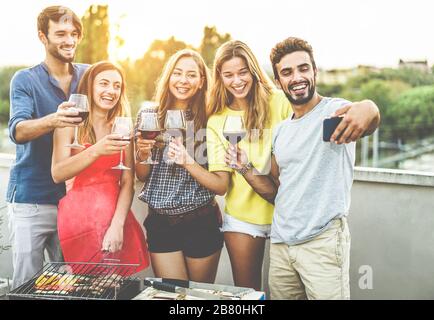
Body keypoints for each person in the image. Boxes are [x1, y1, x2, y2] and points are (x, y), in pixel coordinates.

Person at [231, 36, 380, 299]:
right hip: (281, 247)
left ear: (314, 71)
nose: (297, 77)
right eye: (287, 72)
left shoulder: (335, 112)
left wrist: (368, 108)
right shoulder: (281, 131)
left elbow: (369, 116)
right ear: (278, 82)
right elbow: (276, 190)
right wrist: (245, 168)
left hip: (322, 243)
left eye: (303, 68)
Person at [6, 6, 88, 289]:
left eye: (74, 34)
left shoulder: (87, 76)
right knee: (27, 285)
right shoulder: (25, 80)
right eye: (61, 34)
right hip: (32, 199)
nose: (70, 40)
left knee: (73, 284)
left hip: (75, 202)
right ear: (43, 37)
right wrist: (54, 119)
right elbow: (17, 130)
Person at [51, 61, 149, 273]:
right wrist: (97, 149)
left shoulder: (122, 127)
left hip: (114, 219)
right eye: (104, 83)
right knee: (82, 289)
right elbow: (58, 173)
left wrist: (117, 226)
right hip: (78, 221)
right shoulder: (69, 123)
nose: (111, 91)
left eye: (116, 86)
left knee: (118, 290)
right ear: (89, 87)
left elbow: (127, 183)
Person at [135, 49, 223, 283]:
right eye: (178, 73)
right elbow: (143, 175)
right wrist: (142, 154)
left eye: (191, 75)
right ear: (169, 76)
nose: (183, 80)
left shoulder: (210, 118)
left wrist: (187, 161)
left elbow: (220, 185)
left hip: (200, 221)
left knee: (198, 298)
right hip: (160, 223)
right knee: (173, 295)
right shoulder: (148, 115)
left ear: (202, 80)